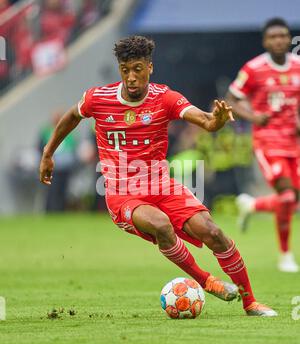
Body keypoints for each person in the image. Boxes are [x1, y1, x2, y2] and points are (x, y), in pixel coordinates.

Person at [39, 35, 277, 316]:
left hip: (161, 185)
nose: (131, 77)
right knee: (161, 224)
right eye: (125, 70)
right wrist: (48, 152)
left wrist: (217, 121)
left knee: (214, 233)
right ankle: (207, 281)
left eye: (138, 69)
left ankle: (250, 303)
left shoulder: (165, 98)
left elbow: (204, 120)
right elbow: (71, 117)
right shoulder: (98, 98)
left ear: (150, 67)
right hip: (122, 192)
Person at [226, 18, 300, 273]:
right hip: (268, 142)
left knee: (293, 199)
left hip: (295, 142)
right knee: (288, 196)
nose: (279, 40)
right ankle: (285, 256)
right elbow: (231, 99)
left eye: (283, 35)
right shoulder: (254, 68)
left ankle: (252, 205)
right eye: (273, 37)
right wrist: (254, 117)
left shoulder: (298, 66)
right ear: (265, 41)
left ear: (289, 38)